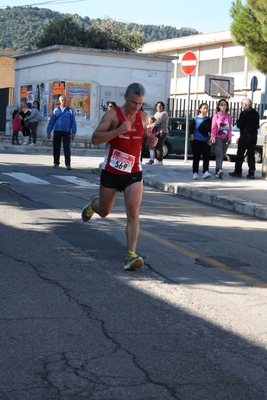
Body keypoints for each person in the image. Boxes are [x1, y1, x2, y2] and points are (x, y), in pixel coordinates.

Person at [81, 83, 158, 271]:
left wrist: (149, 141)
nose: (136, 107)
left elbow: (142, 137)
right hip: (111, 172)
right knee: (105, 211)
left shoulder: (144, 117)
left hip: (133, 172)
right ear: (125, 97)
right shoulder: (113, 115)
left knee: (133, 211)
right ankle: (94, 205)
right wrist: (118, 131)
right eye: (133, 102)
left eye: (140, 104)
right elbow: (95, 139)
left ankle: (131, 255)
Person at [229, 98, 259, 179]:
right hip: (253, 135)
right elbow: (257, 125)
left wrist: (239, 123)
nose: (242, 106)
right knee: (251, 154)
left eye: (242, 104)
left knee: (240, 153)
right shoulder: (256, 113)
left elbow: (239, 124)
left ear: (245, 105)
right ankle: (251, 172)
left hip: (245, 135)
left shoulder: (244, 112)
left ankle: (238, 171)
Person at [47, 95, 77, 170]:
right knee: (56, 147)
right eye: (62, 100)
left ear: (67, 101)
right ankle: (56, 163)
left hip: (66, 131)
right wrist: (48, 132)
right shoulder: (56, 110)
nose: (64, 101)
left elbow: (73, 122)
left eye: (65, 100)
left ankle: (68, 164)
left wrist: (73, 132)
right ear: (60, 101)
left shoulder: (70, 111)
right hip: (57, 131)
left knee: (67, 148)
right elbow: (51, 122)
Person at [189, 102, 212, 180]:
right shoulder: (195, 119)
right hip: (196, 140)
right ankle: (195, 172)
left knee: (206, 157)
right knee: (196, 157)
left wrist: (211, 139)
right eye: (204, 108)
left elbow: (212, 130)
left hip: (206, 141)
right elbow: (191, 129)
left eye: (207, 108)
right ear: (200, 109)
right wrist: (192, 138)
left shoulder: (209, 120)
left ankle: (205, 171)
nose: (206, 110)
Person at [210, 99, 232, 179]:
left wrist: (229, 137)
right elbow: (213, 128)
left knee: (222, 155)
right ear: (219, 106)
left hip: (226, 138)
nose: (223, 106)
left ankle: (219, 171)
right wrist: (213, 137)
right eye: (222, 105)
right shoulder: (216, 116)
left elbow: (229, 128)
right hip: (218, 137)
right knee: (219, 154)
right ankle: (218, 170)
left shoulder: (229, 117)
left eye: (225, 105)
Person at [150, 101, 169, 166]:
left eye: (160, 106)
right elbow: (153, 120)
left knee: (159, 146)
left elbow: (157, 122)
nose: (159, 107)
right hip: (157, 131)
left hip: (162, 131)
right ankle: (157, 159)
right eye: (158, 106)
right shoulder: (156, 113)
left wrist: (149, 126)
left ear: (163, 107)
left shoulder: (164, 113)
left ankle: (159, 160)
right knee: (157, 145)